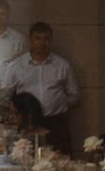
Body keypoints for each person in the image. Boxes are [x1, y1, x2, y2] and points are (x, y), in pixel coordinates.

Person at [7, 22, 79, 155]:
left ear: (51, 40)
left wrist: (56, 105)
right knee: (27, 158)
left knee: (61, 159)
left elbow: (74, 95)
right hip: (28, 122)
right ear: (30, 40)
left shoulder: (62, 65)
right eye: (37, 38)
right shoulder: (16, 65)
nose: (42, 42)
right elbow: (5, 94)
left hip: (56, 122)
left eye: (46, 39)